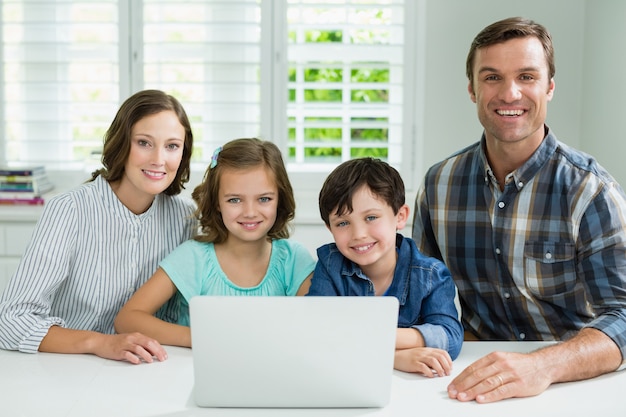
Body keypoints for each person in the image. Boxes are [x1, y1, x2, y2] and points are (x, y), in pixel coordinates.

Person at [412, 17, 626, 403]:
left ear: (550, 86)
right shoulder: (438, 186)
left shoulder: (591, 190)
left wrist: (542, 366)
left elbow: (624, 316)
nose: (510, 93)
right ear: (472, 89)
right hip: (470, 382)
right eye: (492, 77)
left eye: (527, 76)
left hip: (575, 385)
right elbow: (421, 297)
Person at [0, 89, 197, 364]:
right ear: (121, 144)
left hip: (153, 369)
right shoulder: (69, 210)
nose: (158, 159)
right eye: (144, 142)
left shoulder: (186, 219)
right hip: (69, 369)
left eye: (172, 146)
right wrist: (99, 343)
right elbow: (10, 321)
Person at [114, 138, 315, 348]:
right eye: (234, 200)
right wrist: (202, 337)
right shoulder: (193, 257)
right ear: (217, 202)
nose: (250, 212)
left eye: (264, 199)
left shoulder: (294, 260)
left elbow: (310, 329)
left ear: (280, 199)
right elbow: (127, 319)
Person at [307, 157, 463, 377]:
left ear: (400, 217)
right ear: (329, 227)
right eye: (343, 223)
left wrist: (366, 337)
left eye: (371, 217)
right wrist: (393, 357)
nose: (359, 234)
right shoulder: (330, 264)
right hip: (352, 377)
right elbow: (315, 332)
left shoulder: (430, 274)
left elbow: (451, 337)